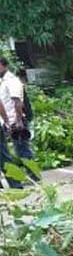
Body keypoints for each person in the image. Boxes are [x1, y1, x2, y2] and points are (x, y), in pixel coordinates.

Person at [0, 57, 28, 188]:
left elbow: (17, 102)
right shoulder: (3, 81)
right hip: (8, 121)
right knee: (13, 152)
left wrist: (17, 121)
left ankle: (31, 177)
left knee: (21, 150)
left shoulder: (11, 80)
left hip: (15, 121)